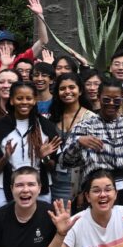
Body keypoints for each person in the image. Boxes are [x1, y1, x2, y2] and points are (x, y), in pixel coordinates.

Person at [61, 79, 123, 205]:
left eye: (116, 100)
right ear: (98, 97)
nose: (111, 104)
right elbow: (65, 162)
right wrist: (78, 142)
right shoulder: (85, 126)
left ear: (122, 98)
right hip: (96, 188)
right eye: (106, 99)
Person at [0, 82, 61, 209]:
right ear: (12, 101)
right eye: (19, 98)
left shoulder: (46, 127)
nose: (24, 102)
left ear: (35, 100)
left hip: (38, 188)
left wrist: (43, 157)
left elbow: (53, 168)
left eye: (29, 98)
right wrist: (5, 158)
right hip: (4, 188)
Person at [48, 73, 94, 204]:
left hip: (79, 183)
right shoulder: (52, 118)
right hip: (55, 182)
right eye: (62, 88)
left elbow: (94, 159)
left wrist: (84, 188)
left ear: (80, 91)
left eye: (72, 87)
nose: (67, 91)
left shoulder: (91, 118)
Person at [0, 0, 50, 76]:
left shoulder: (21, 59)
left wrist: (39, 15)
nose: (5, 46)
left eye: (9, 43)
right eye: (2, 43)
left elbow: (43, 41)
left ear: (14, 47)